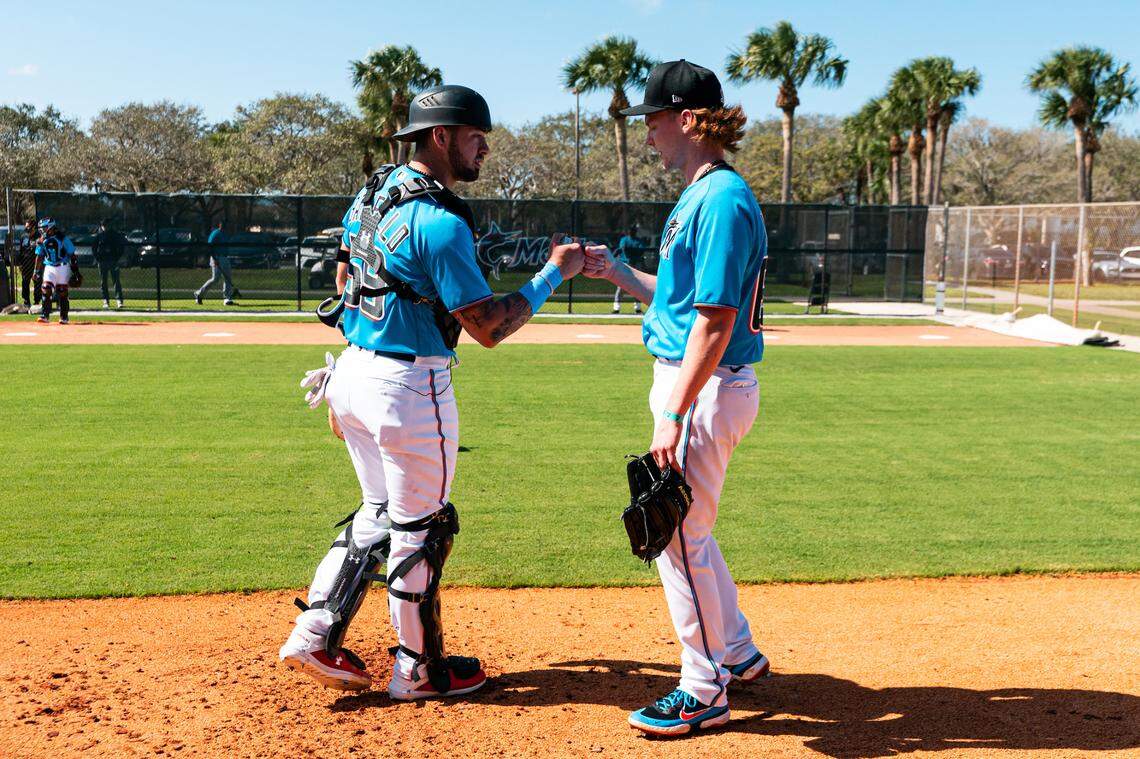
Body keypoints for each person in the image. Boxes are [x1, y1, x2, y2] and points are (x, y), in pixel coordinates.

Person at [279, 84, 584, 701]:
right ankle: (417, 670)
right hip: (408, 385)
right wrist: (554, 273)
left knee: (377, 512)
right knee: (422, 529)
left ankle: (314, 633)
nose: (485, 149)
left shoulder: (374, 193)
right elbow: (488, 326)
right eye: (476, 137)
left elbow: (343, 279)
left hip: (353, 372)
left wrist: (358, 371)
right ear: (441, 137)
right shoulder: (440, 222)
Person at [582, 60, 770, 736]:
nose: (648, 132)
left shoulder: (718, 199)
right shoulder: (703, 194)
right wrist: (616, 272)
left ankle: (704, 687)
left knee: (674, 534)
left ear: (687, 119)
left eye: (654, 119)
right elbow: (679, 301)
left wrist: (673, 411)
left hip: (704, 385)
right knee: (691, 530)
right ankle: (737, 650)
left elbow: (715, 321)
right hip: (699, 382)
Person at [33, 218, 79, 324]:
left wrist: (76, 271)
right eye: (41, 228)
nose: (42, 230)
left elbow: (72, 255)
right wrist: (36, 271)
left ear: (51, 227)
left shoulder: (62, 238)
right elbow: (39, 256)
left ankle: (64, 317)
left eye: (44, 228)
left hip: (63, 267)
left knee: (62, 291)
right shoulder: (42, 240)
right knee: (46, 288)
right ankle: (45, 315)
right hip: (49, 267)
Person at [194, 221, 235, 306]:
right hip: (216, 257)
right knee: (215, 279)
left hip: (225, 258)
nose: (225, 227)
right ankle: (199, 293)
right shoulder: (215, 233)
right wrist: (214, 258)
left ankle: (227, 298)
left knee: (228, 278)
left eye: (226, 225)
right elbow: (209, 246)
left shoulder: (226, 234)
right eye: (223, 225)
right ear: (220, 225)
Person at [92, 218, 126, 309]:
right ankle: (106, 300)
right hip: (102, 261)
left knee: (116, 281)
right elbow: (94, 248)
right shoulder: (99, 236)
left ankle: (119, 300)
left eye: (106, 225)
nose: (105, 227)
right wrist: (98, 258)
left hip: (112, 261)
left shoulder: (115, 235)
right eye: (103, 225)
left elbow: (121, 247)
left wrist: (116, 258)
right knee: (104, 282)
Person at [613, 225, 643, 315]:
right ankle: (616, 308)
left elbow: (641, 251)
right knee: (620, 286)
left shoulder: (638, 241)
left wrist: (634, 252)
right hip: (625, 265)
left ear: (635, 232)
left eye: (633, 231)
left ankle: (638, 308)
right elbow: (623, 249)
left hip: (635, 265)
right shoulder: (624, 239)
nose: (631, 232)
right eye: (630, 231)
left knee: (637, 287)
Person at [16, 220, 41, 310]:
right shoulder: (23, 236)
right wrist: (20, 264)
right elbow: (21, 250)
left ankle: (37, 301)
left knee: (37, 283)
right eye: (26, 227)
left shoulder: (39, 236)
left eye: (28, 227)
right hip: (25, 262)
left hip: (36, 262)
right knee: (25, 282)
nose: (27, 229)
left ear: (34, 227)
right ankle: (26, 302)